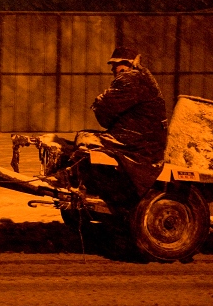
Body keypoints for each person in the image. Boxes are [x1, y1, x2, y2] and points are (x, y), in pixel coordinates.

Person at [56, 46, 168, 209]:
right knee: (86, 138)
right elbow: (108, 113)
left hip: (138, 142)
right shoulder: (141, 78)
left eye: (116, 64)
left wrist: (100, 101)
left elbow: (105, 114)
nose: (113, 69)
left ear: (129, 64)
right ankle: (81, 180)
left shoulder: (130, 79)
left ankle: (76, 180)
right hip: (144, 139)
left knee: (86, 141)